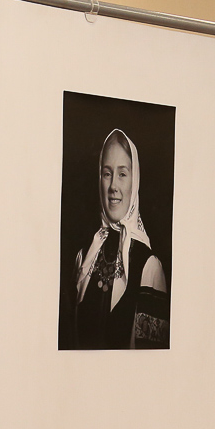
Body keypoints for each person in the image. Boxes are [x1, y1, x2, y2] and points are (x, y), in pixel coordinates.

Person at [72, 129, 169, 348]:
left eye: (122, 174)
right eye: (107, 174)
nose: (113, 186)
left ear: (135, 182)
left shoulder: (149, 267)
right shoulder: (84, 257)